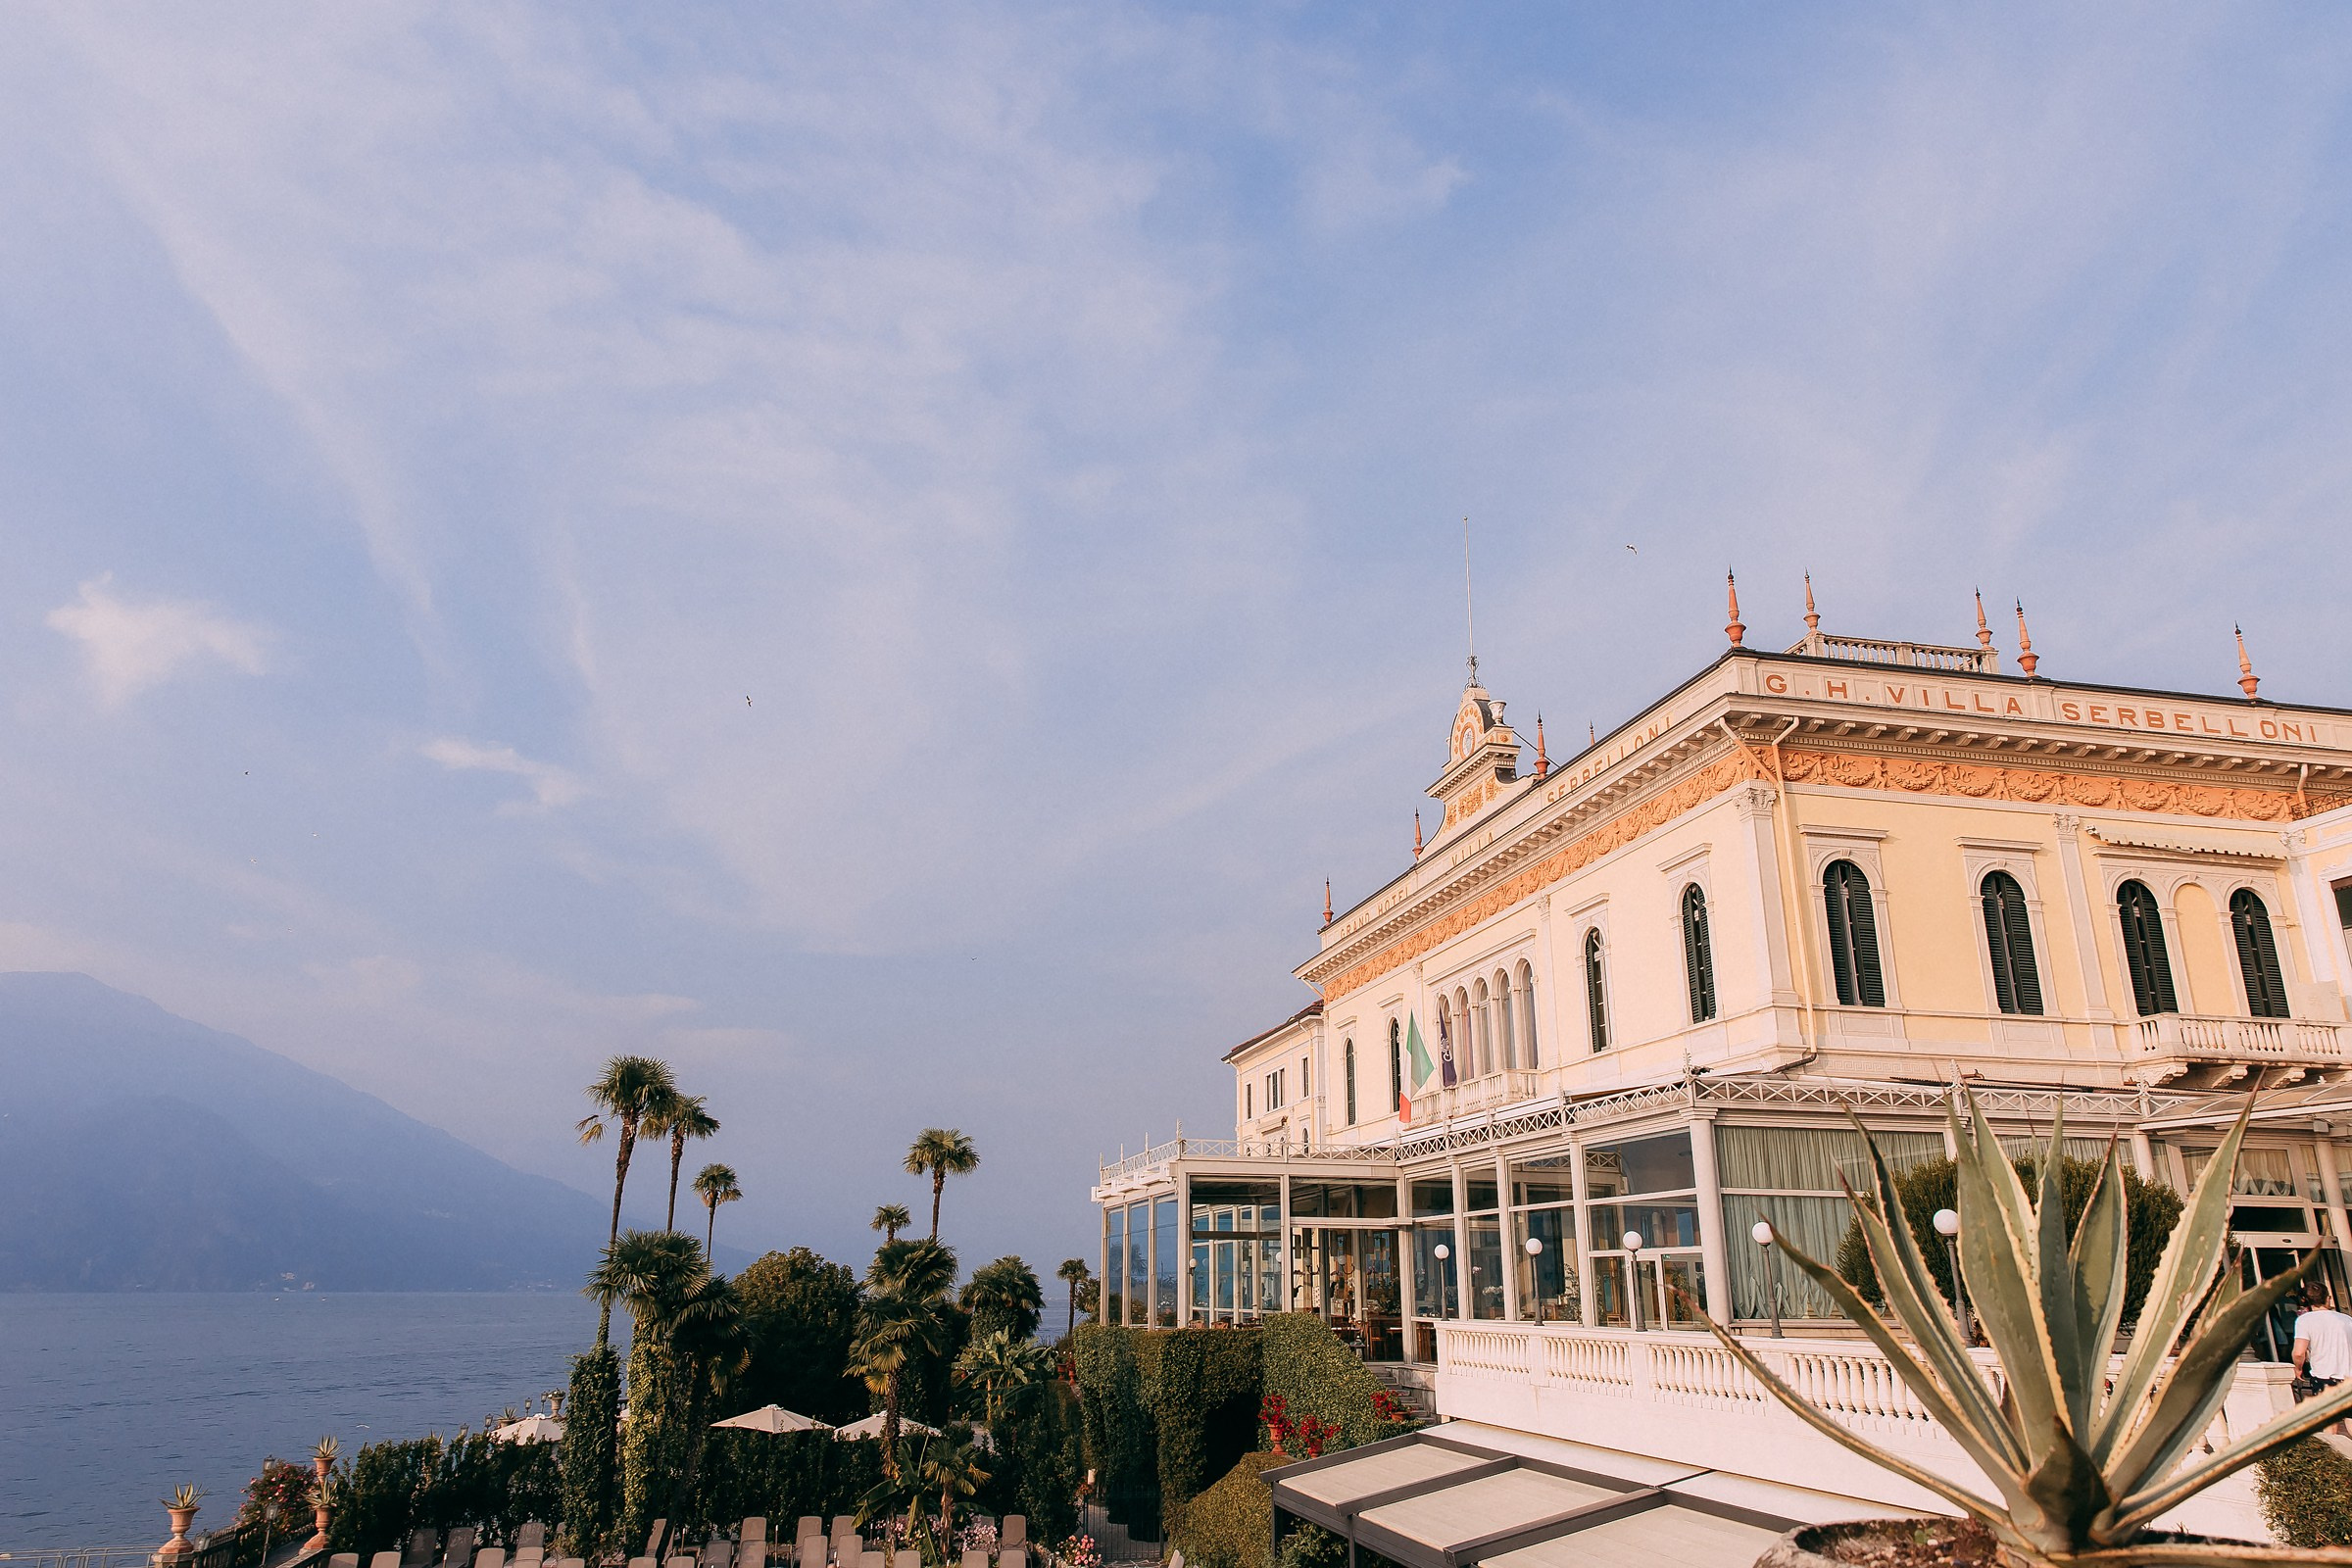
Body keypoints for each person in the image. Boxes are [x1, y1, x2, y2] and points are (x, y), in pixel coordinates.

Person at [2291, 1280, 2352, 1437]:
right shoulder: (2347, 1320)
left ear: (2306, 1301)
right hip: (2349, 1377)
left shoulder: (2305, 1321)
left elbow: (2299, 1352)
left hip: (2325, 1377)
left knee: (2329, 1422)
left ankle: (2339, 1458)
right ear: (2328, 1298)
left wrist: (2298, 1369)